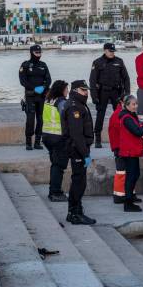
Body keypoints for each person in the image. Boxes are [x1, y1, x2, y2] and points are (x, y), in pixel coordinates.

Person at [62, 80, 96, 225]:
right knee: (78, 182)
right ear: (75, 91)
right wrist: (85, 154)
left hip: (80, 148)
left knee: (79, 181)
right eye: (83, 90)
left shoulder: (79, 104)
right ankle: (74, 213)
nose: (86, 92)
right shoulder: (74, 107)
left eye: (87, 90)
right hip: (77, 150)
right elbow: (76, 134)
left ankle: (76, 211)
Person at [90, 43, 130, 148]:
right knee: (100, 115)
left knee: (120, 114)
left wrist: (127, 94)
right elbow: (92, 80)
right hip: (102, 92)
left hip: (116, 92)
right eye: (110, 51)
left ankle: (123, 135)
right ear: (105, 50)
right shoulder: (97, 62)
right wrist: (94, 96)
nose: (112, 53)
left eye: (113, 51)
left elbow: (126, 78)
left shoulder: (119, 61)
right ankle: (98, 138)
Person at [118, 95, 143, 212]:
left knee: (135, 174)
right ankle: (128, 203)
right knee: (131, 176)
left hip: (132, 151)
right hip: (129, 152)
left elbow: (138, 129)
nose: (136, 106)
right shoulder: (127, 118)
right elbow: (138, 132)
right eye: (133, 104)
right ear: (127, 105)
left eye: (136, 103)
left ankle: (130, 198)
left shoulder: (131, 116)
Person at [19, 45, 52, 150]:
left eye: (40, 53)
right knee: (30, 119)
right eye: (37, 53)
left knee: (41, 119)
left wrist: (44, 87)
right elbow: (23, 81)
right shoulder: (25, 65)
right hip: (30, 96)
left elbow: (49, 79)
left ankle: (37, 142)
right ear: (31, 53)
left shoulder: (43, 65)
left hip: (41, 96)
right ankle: (28, 142)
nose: (39, 55)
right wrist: (34, 88)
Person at [42, 80, 69, 202]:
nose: (67, 91)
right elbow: (66, 116)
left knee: (55, 164)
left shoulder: (48, 100)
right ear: (61, 90)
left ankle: (53, 191)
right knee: (58, 166)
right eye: (66, 89)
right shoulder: (61, 102)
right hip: (57, 137)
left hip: (47, 136)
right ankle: (55, 192)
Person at [108, 98, 126, 203]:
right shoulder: (118, 115)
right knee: (121, 172)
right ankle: (119, 196)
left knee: (125, 172)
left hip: (121, 147)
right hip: (120, 148)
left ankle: (128, 194)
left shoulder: (121, 113)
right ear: (121, 102)